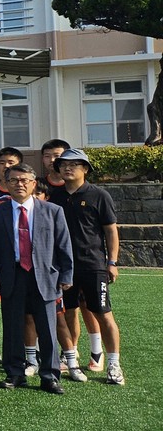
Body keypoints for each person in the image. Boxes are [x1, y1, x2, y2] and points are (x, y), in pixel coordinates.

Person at [0, 163, 73, 394]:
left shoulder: (53, 211)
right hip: (12, 274)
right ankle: (15, 373)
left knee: (48, 328)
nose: (19, 184)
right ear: (6, 184)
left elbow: (64, 245)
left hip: (45, 275)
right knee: (13, 327)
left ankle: (50, 376)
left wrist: (66, 274)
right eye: (14, 180)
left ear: (33, 184)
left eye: (24, 180)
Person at [49, 148, 125, 385]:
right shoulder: (55, 196)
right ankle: (70, 356)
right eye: (63, 165)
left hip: (93, 265)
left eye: (74, 164)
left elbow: (110, 231)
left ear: (85, 169)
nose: (67, 168)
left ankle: (113, 364)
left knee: (103, 313)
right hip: (63, 267)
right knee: (69, 312)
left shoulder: (99, 195)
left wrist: (112, 262)